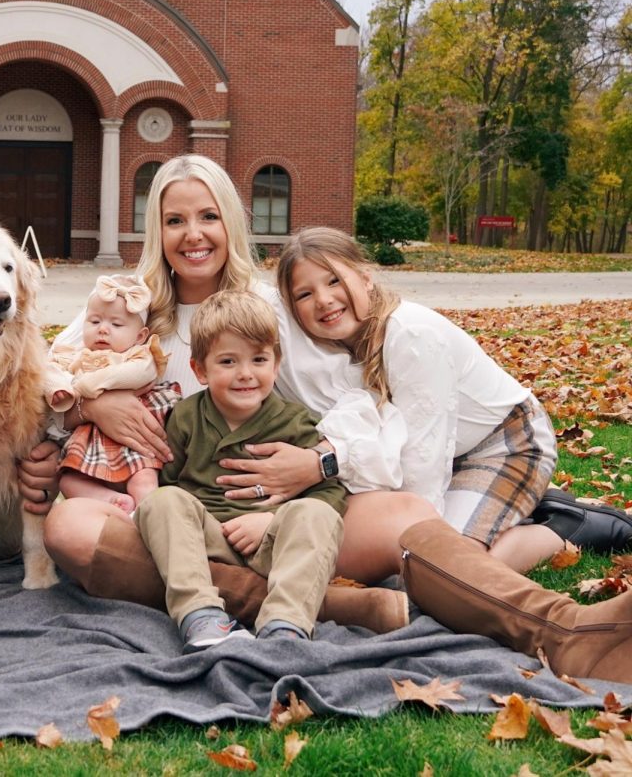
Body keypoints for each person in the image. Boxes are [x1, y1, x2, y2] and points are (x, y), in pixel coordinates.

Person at [41, 154, 632, 683]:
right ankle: (335, 605)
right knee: (70, 529)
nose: (193, 235)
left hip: (288, 519)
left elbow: (361, 404)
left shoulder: (273, 308)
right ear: (156, 231)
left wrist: (313, 465)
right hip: (180, 520)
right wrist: (92, 401)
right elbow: (46, 376)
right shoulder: (126, 306)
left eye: (209, 217)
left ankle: (568, 632)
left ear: (232, 224)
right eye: (175, 221)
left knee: (411, 517)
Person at [276, 227, 632, 564]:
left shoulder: (409, 334)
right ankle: (511, 510)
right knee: (419, 563)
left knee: (447, 569)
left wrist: (416, 540)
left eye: (334, 280)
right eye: (304, 294)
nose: (323, 300)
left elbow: (422, 464)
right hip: (452, 454)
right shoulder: (336, 353)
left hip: (508, 445)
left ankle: (568, 527)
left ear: (365, 277)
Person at [135, 290, 344, 650]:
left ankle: (285, 625)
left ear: (275, 365)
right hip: (207, 544)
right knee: (162, 500)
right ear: (200, 369)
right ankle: (201, 617)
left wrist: (270, 519)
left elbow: (330, 493)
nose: (245, 374)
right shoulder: (185, 418)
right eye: (228, 362)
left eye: (259, 360)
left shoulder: (296, 423)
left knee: (316, 514)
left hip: (271, 544)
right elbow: (169, 483)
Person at [45, 274, 180, 512]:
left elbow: (139, 375)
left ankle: (149, 515)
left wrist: (86, 385)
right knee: (69, 480)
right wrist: (58, 388)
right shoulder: (75, 355)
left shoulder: (138, 356)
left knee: (144, 479)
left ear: (140, 336)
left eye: (116, 325)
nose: (103, 330)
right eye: (94, 321)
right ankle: (112, 502)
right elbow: (49, 372)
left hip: (137, 438)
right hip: (91, 439)